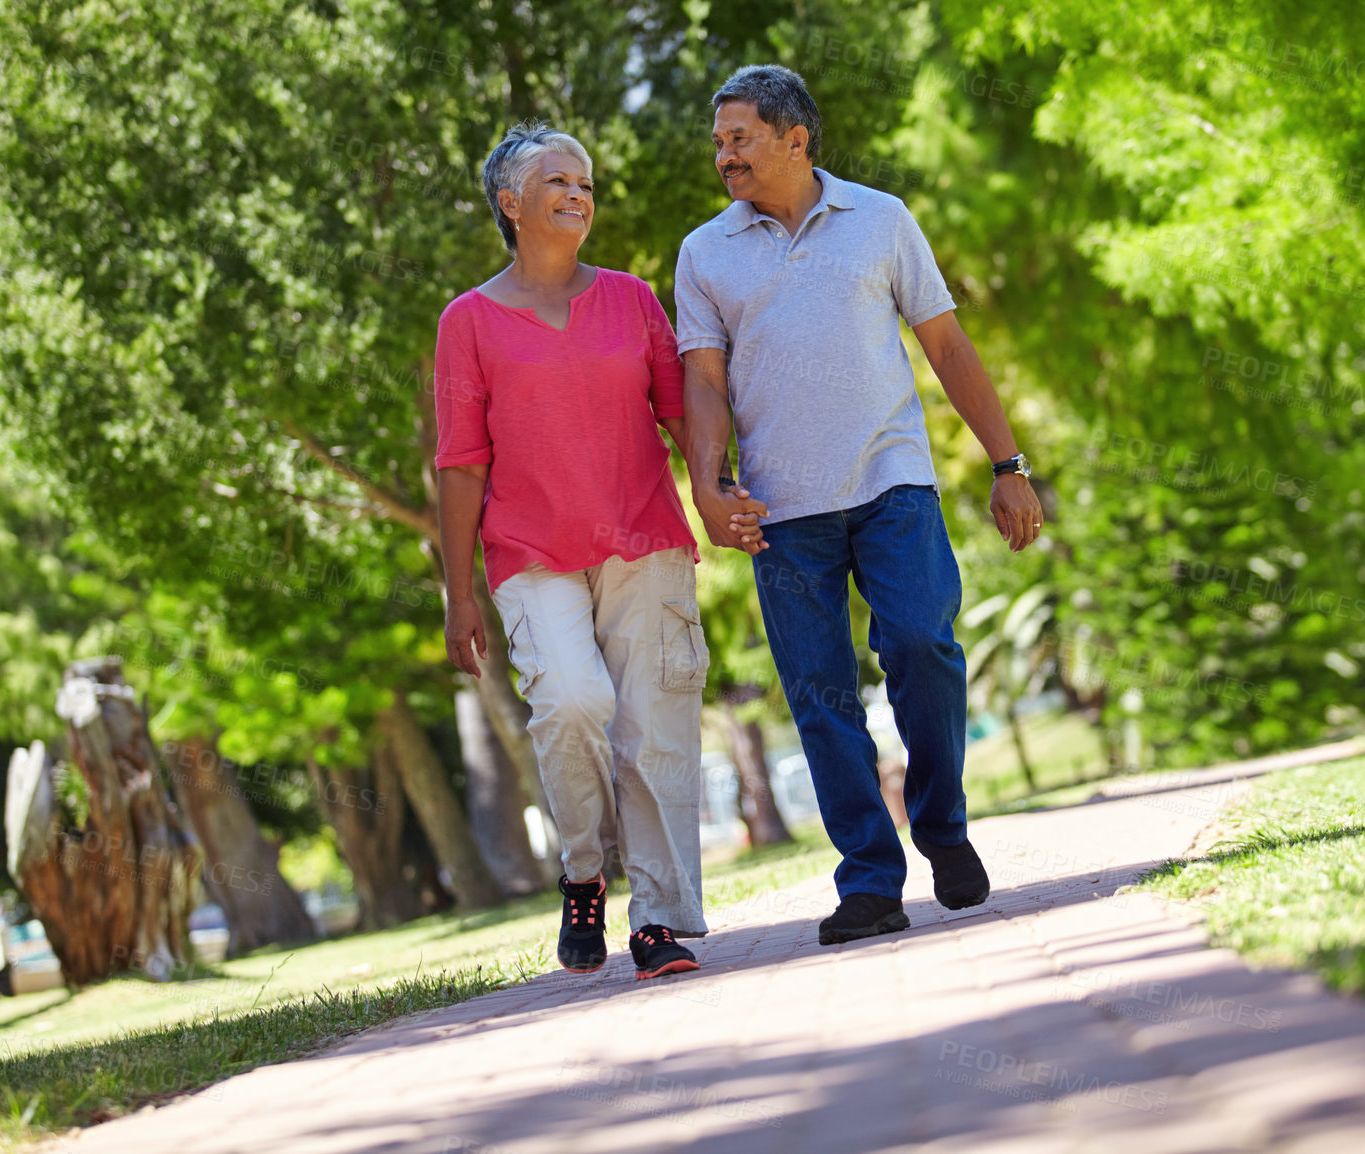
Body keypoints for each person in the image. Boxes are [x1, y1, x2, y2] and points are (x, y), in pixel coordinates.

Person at [676, 65, 1047, 946]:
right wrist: (707, 481)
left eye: (740, 137)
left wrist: (1009, 463)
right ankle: (872, 882)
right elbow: (703, 378)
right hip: (781, 510)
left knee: (924, 643)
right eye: (719, 139)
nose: (723, 154)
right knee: (820, 695)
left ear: (796, 139)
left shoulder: (880, 219)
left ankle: (944, 829)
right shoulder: (705, 252)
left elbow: (948, 346)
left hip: (893, 485)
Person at [435, 122, 732, 979]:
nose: (578, 194)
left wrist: (710, 492)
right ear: (511, 203)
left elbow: (680, 412)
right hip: (530, 552)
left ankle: (660, 920)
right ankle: (583, 871)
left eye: (587, 184)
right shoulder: (470, 321)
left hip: (642, 535)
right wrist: (459, 596)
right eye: (558, 182)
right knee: (570, 703)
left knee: (655, 726)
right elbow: (459, 466)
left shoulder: (633, 299)